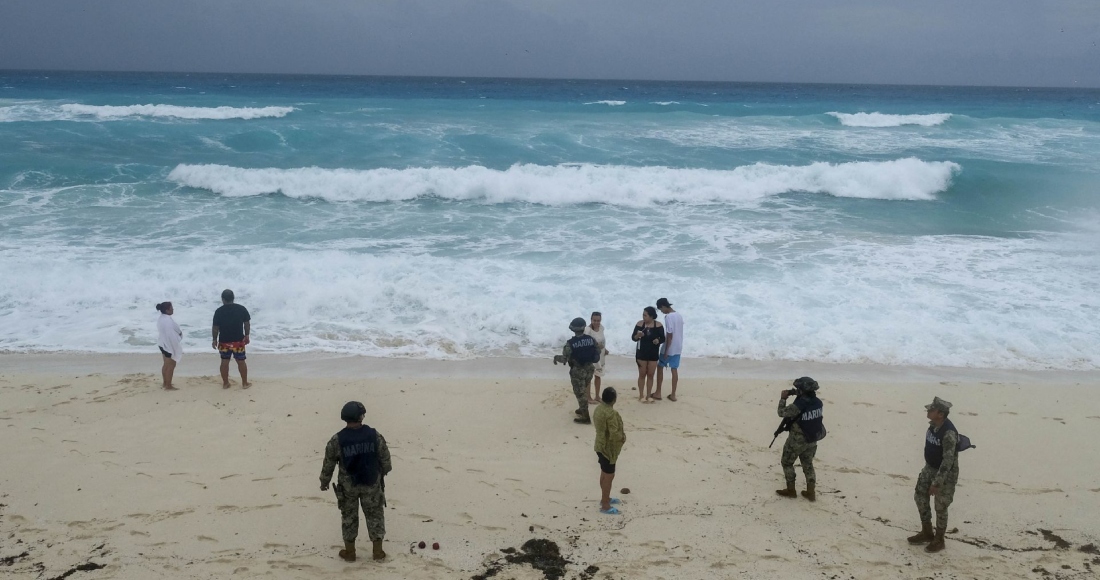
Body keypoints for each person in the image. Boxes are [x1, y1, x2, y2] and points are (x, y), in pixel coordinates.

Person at [320, 401, 392, 562]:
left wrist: (324, 481)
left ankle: (350, 552)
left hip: (348, 486)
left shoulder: (337, 439)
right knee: (375, 515)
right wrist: (384, 471)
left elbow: (328, 463)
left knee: (349, 517)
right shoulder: (374, 435)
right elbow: (385, 458)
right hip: (371, 482)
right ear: (360, 417)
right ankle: (378, 552)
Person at [907, 397, 959, 553]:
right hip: (929, 468)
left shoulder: (949, 433)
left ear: (941, 414)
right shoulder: (932, 426)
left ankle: (939, 539)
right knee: (919, 496)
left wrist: (937, 483)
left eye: (931, 410)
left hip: (945, 473)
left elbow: (948, 461)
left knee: (940, 506)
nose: (928, 411)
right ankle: (927, 532)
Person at [775, 377, 825, 501]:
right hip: (812, 439)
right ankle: (810, 492)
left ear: (802, 390)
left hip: (797, 440)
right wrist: (795, 393)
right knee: (808, 464)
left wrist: (783, 399)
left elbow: (782, 412)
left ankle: (791, 490)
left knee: (787, 463)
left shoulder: (799, 405)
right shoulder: (818, 403)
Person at [553, 317, 600, 424]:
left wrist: (556, 357)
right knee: (583, 390)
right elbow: (597, 350)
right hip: (590, 369)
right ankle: (582, 408)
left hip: (578, 371)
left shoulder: (570, 344)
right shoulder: (591, 339)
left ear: (573, 329)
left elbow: (565, 359)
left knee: (580, 393)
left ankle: (585, 417)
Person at [592, 387, 626, 514]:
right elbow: (613, 433)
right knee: (609, 475)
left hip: (599, 445)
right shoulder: (611, 414)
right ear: (614, 400)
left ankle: (605, 498)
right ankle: (605, 504)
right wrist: (622, 438)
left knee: (604, 472)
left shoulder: (598, 409)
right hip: (608, 449)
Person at [211, 289, 251, 389]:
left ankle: (225, 383)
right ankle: (245, 383)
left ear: (223, 299)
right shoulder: (241, 309)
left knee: (224, 361)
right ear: (233, 298)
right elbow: (247, 323)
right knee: (241, 361)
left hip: (224, 341)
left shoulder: (219, 311)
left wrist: (214, 339)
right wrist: (247, 335)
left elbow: (215, 327)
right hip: (238, 341)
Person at [631, 306, 664, 403]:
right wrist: (638, 335)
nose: (643, 317)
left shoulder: (658, 325)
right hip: (641, 353)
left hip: (653, 353)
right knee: (642, 374)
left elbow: (663, 338)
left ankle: (649, 395)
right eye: (643, 315)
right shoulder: (639, 324)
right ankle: (641, 395)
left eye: (645, 315)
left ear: (651, 316)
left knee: (650, 374)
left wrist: (658, 340)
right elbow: (633, 338)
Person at [655, 298, 683, 401]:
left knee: (660, 366)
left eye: (660, 309)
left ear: (663, 306)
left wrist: (666, 351)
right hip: (678, 346)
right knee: (674, 369)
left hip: (670, 347)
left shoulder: (668, 317)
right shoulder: (679, 315)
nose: (661, 311)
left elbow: (669, 335)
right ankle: (673, 394)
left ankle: (658, 392)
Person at [584, 312, 610, 405]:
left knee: (598, 376)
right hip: (591, 357)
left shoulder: (601, 328)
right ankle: (588, 397)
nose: (596, 322)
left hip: (600, 356)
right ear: (591, 320)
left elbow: (602, 340)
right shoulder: (587, 330)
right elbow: (585, 343)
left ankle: (597, 396)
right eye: (594, 320)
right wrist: (596, 345)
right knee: (589, 377)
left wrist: (605, 349)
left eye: (598, 320)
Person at [155, 302, 182, 391]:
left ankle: (165, 382)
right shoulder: (168, 321)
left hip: (162, 343)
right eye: (171, 308)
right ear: (167, 310)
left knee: (166, 364)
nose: (173, 309)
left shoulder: (161, 318)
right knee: (171, 365)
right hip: (167, 345)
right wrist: (174, 348)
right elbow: (171, 336)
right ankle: (168, 385)